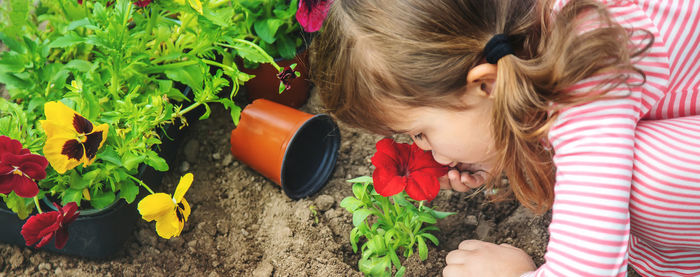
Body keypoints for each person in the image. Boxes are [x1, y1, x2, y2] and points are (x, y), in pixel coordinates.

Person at [310, 0, 700, 276]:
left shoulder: (586, 69)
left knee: (650, 176)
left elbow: (586, 270)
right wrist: (503, 155)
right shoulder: (520, 27)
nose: (422, 148)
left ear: (486, 85)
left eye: (420, 132)